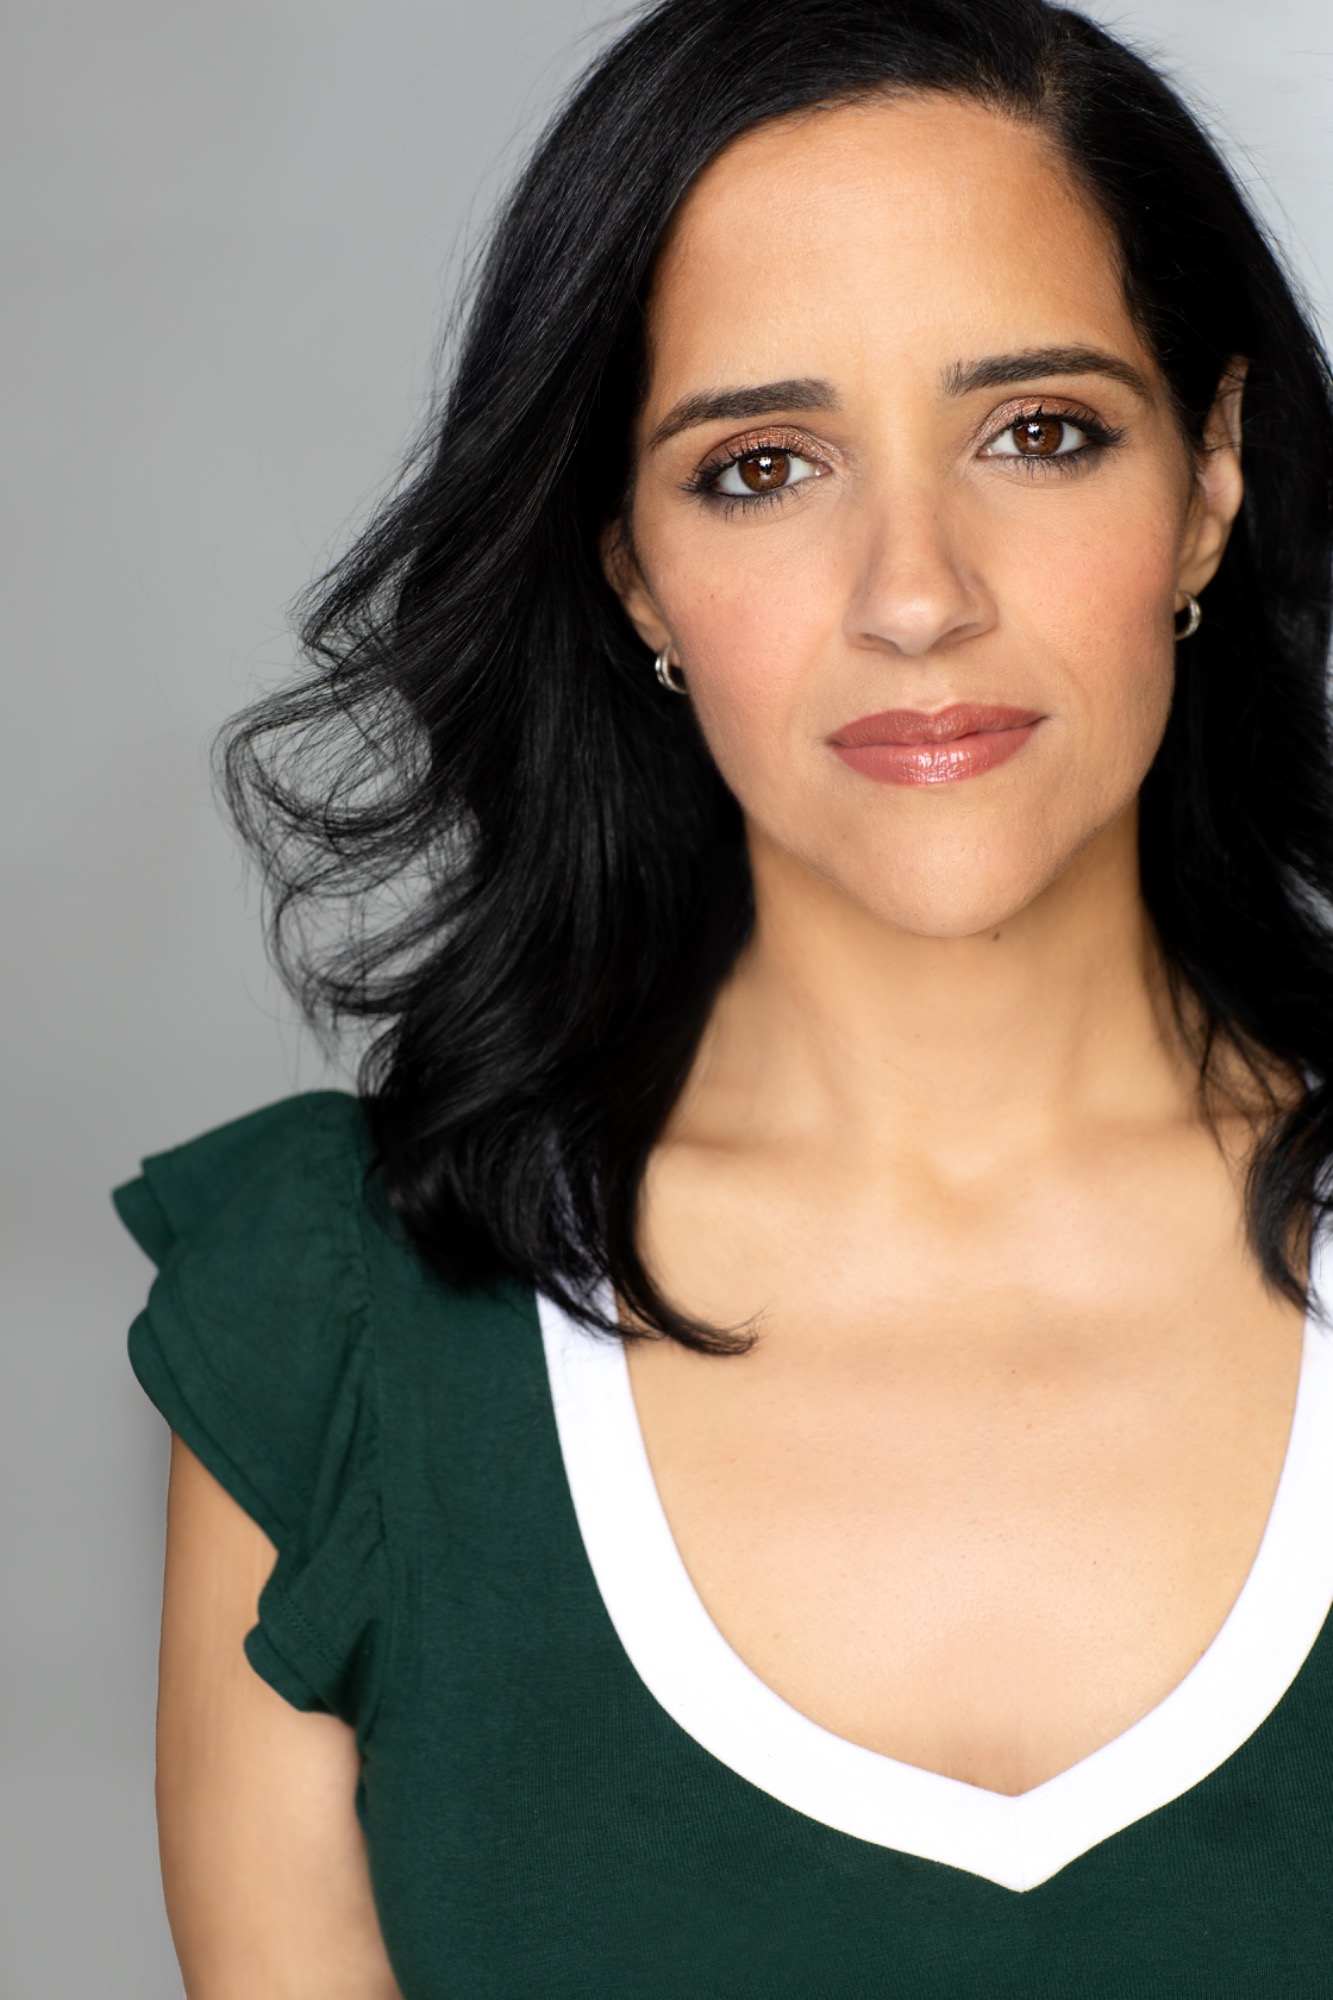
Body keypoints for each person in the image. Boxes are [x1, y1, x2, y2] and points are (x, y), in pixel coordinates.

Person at [115, 0, 1333, 1990]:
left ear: (1207, 476)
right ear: (626, 564)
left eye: (1036, 432)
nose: (916, 592)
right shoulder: (333, 1328)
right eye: (761, 466)